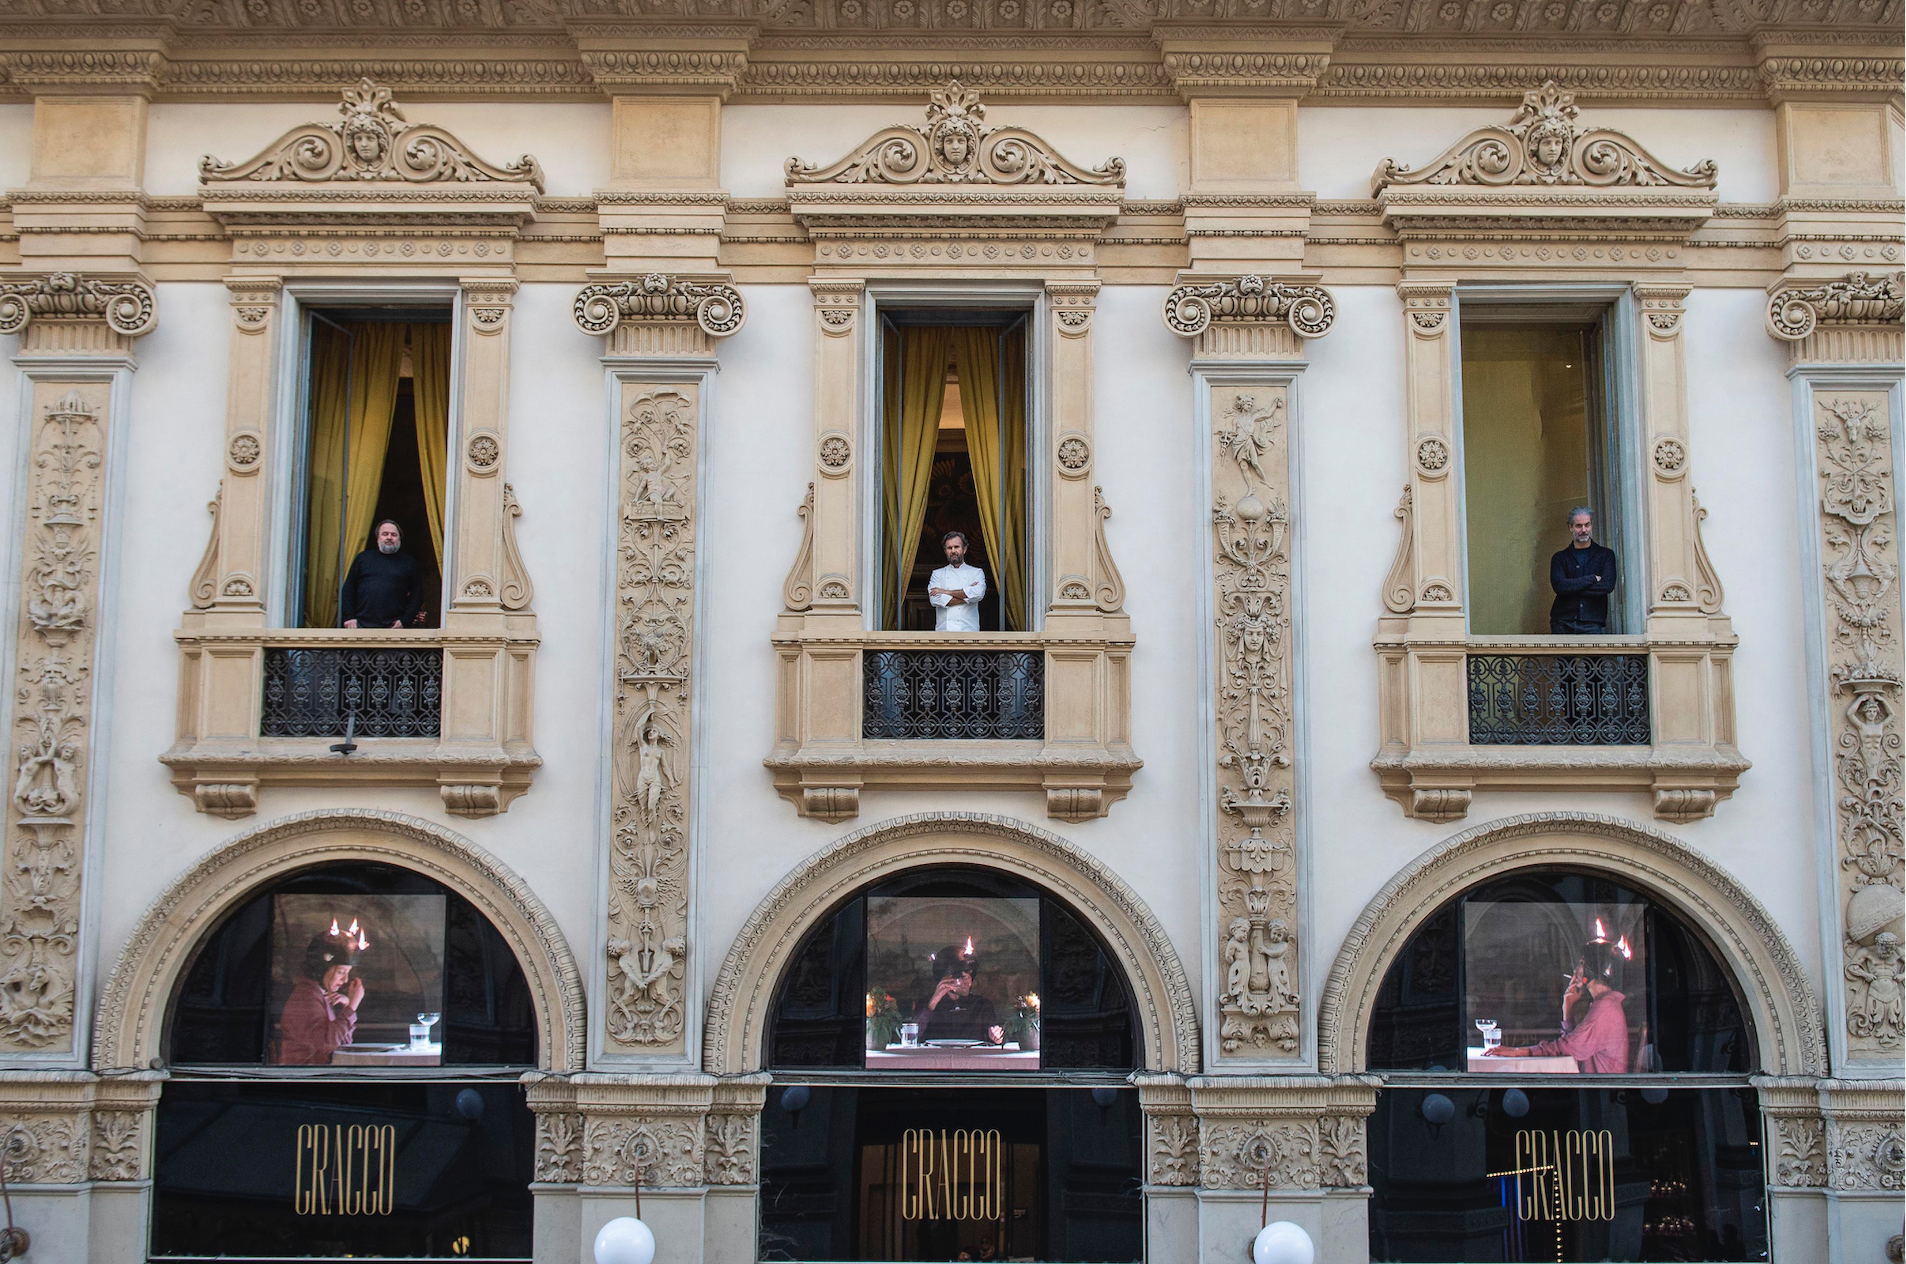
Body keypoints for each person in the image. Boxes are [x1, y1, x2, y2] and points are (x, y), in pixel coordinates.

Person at [1485, 938, 1631, 1073]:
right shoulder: (1606, 1003)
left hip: (1603, 1095)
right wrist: (1567, 1007)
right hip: (1595, 1091)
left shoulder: (1605, 1007)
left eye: (1581, 963)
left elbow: (1567, 1047)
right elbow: (1573, 1045)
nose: (1576, 970)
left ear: (1593, 969)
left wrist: (1516, 1051)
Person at [274, 933, 365, 1065]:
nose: (345, 980)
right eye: (340, 972)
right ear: (322, 968)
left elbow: (344, 1043)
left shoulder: (318, 995)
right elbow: (328, 1044)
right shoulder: (305, 998)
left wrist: (346, 1006)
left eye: (347, 973)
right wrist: (351, 1007)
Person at [340, 519, 423, 629]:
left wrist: (405, 621)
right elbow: (348, 590)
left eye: (394, 535)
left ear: (400, 539)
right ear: (378, 538)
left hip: (395, 629)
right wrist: (349, 617)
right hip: (360, 626)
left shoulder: (409, 563)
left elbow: (417, 595)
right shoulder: (363, 559)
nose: (389, 537)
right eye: (385, 534)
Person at [1549, 507, 1618, 634]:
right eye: (1578, 526)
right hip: (1562, 622)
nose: (1584, 530)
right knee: (1563, 655)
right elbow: (1559, 586)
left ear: (1591, 525)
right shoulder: (1559, 558)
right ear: (1570, 527)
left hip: (1592, 622)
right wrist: (1592, 579)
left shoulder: (1605, 555)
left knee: (1592, 655)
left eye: (1587, 525)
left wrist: (1571, 587)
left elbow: (1607, 586)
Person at [918, 945, 1004, 1045]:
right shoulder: (927, 1004)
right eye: (962, 977)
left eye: (970, 976)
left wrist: (997, 1036)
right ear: (945, 977)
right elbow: (912, 1036)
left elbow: (995, 1038)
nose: (968, 982)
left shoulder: (982, 1005)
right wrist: (933, 1001)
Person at [926, 531, 987, 632]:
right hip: (944, 632)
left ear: (964, 549)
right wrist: (968, 596)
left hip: (969, 631)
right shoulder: (937, 574)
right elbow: (935, 600)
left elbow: (979, 594)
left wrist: (947, 592)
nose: (953, 551)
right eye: (949, 548)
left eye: (956, 547)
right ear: (945, 551)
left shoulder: (976, 572)